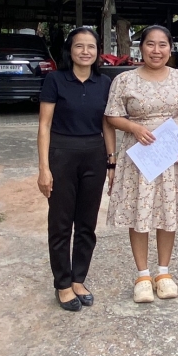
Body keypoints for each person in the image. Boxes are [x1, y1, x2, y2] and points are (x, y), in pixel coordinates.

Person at [105, 25, 178, 303]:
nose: (156, 50)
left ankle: (163, 273)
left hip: (173, 155)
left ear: (170, 49)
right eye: (150, 44)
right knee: (140, 212)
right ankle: (142, 276)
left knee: (167, 211)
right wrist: (133, 128)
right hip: (140, 156)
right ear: (141, 48)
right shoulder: (124, 80)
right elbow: (112, 116)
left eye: (163, 45)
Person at [37, 27, 116, 312]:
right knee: (60, 224)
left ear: (97, 52)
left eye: (91, 46)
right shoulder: (55, 80)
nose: (85, 51)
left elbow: (107, 123)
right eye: (79, 46)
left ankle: (78, 279)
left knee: (87, 223)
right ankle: (62, 284)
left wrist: (111, 161)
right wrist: (44, 168)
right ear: (70, 50)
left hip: (94, 155)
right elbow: (44, 125)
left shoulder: (104, 83)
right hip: (61, 154)